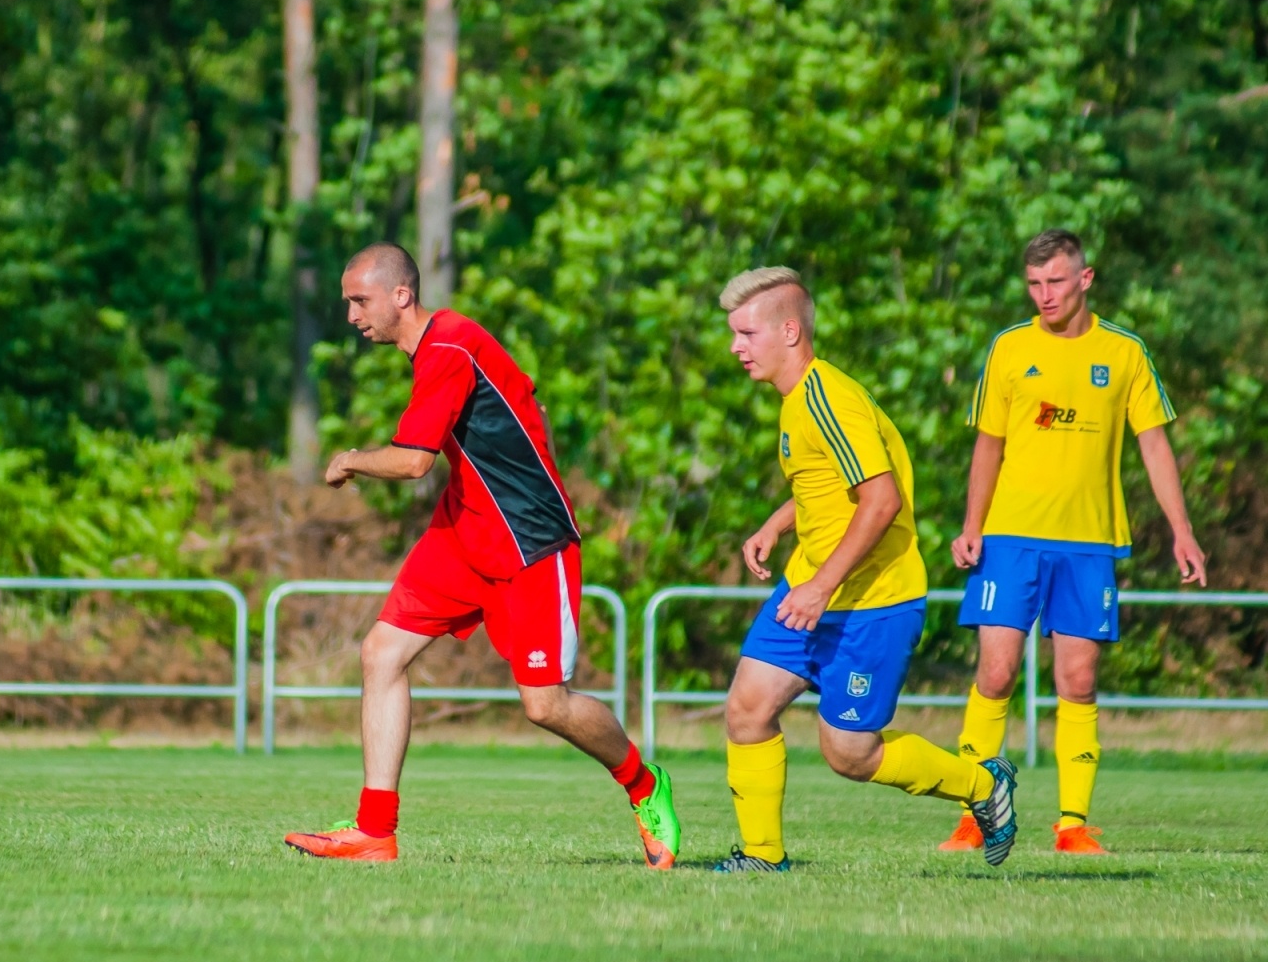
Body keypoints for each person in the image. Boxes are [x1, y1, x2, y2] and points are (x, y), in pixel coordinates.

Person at [284, 242, 680, 866]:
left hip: (528, 543)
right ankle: (373, 831)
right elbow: (529, 401)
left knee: (545, 705)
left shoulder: (447, 345)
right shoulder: (451, 344)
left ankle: (643, 783)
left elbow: (414, 462)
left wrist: (349, 461)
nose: (352, 316)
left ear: (401, 296)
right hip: (464, 533)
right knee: (382, 653)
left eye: (360, 302)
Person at [718, 266, 1018, 872]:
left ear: (790, 331)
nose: (736, 347)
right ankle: (761, 856)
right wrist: (777, 527)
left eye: (747, 333)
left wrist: (821, 589)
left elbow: (881, 501)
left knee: (851, 754)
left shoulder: (829, 398)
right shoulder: (797, 400)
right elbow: (827, 487)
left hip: (871, 599)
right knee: (747, 707)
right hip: (812, 587)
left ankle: (984, 787)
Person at [940, 229, 1207, 856]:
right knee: (997, 670)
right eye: (1033, 284)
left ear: (1086, 279)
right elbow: (989, 444)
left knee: (1078, 680)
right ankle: (975, 815)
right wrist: (972, 524)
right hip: (1009, 537)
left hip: (1089, 543)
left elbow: (1154, 444)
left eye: (1055, 282)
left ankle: (1072, 826)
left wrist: (1182, 530)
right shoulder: (1009, 348)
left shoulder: (1125, 353)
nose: (1044, 295)